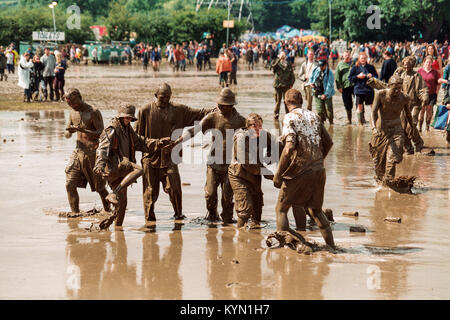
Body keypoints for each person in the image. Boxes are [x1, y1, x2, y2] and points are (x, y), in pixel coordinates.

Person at [134, 83, 211, 223]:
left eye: (168, 97)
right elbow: (135, 137)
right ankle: (149, 220)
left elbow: (200, 113)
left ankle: (179, 215)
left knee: (174, 187)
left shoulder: (178, 110)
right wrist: (154, 143)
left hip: (170, 157)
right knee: (150, 191)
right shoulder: (145, 110)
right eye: (162, 97)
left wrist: (218, 110)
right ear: (156, 95)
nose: (165, 100)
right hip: (150, 157)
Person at [169, 88, 246, 223]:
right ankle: (212, 216)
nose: (220, 107)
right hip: (213, 163)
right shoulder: (212, 117)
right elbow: (196, 129)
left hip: (230, 165)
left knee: (227, 198)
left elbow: (256, 134)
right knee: (210, 195)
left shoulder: (240, 121)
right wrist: (179, 140)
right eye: (219, 105)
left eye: (224, 106)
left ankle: (227, 221)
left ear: (231, 106)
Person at [272, 88, 335, 248]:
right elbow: (328, 142)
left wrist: (279, 174)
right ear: (301, 102)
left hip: (299, 170)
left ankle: (286, 247)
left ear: (286, 103)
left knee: (281, 209)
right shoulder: (313, 115)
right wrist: (318, 160)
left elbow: (289, 147)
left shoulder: (289, 118)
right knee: (316, 211)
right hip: (319, 170)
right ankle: (331, 247)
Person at [94, 104, 171, 227]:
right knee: (139, 170)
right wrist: (99, 165)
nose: (129, 120)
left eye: (130, 118)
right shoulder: (111, 129)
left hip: (123, 168)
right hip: (114, 166)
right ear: (120, 117)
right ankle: (113, 195)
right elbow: (102, 148)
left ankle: (118, 229)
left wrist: (158, 142)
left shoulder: (128, 129)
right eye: (127, 118)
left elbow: (141, 142)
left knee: (122, 202)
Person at [63, 88, 110, 215]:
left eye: (75, 103)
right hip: (78, 152)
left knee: (100, 188)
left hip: (93, 153)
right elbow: (67, 132)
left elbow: (101, 133)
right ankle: (75, 214)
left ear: (80, 98)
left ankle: (108, 211)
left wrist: (83, 131)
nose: (73, 106)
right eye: (70, 104)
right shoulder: (73, 112)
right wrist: (69, 131)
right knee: (69, 184)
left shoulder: (93, 112)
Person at [228, 113, 278, 228]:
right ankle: (240, 234)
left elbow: (276, 143)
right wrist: (269, 174)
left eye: (260, 126)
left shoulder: (262, 134)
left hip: (255, 173)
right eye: (254, 126)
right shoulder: (241, 137)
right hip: (239, 175)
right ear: (248, 127)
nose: (258, 129)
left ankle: (255, 233)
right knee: (244, 209)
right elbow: (247, 163)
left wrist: (271, 152)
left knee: (257, 205)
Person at [369, 75, 414, 185]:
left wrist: (412, 127)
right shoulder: (380, 94)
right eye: (395, 88)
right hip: (381, 130)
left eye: (400, 88)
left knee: (392, 157)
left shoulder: (404, 98)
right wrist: (373, 128)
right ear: (389, 86)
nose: (398, 91)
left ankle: (389, 180)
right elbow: (373, 113)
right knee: (378, 161)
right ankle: (381, 181)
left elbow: (408, 114)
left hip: (396, 130)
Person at [349, 52, 378, 125]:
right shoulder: (355, 67)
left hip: (369, 90)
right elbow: (349, 78)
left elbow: (377, 77)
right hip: (359, 90)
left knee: (373, 107)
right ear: (359, 59)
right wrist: (357, 76)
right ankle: (360, 124)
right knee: (359, 107)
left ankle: (374, 122)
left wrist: (372, 76)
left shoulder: (371, 67)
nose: (363, 59)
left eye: (365, 58)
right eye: (362, 58)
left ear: (367, 58)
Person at [417, 56, 440, 132]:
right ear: (424, 63)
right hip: (422, 94)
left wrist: (437, 91)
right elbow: (415, 82)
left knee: (429, 111)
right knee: (422, 111)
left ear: (431, 63)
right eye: (427, 62)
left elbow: (438, 83)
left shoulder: (435, 72)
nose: (428, 63)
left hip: (432, 94)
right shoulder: (419, 71)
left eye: (430, 62)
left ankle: (427, 127)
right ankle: (419, 128)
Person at [309, 59, 335, 124]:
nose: (320, 68)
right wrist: (311, 83)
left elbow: (330, 85)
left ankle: (331, 122)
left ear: (325, 66)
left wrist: (325, 94)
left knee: (329, 111)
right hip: (317, 92)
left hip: (327, 93)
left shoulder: (330, 73)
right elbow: (311, 78)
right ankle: (322, 123)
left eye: (321, 66)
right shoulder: (316, 70)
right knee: (319, 110)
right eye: (319, 66)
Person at [272, 51, 296, 119]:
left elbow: (292, 76)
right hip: (278, 86)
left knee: (287, 101)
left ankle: (288, 114)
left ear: (285, 56)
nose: (282, 57)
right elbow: (273, 67)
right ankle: (276, 114)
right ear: (279, 56)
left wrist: (291, 84)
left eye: (284, 55)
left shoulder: (288, 64)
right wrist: (279, 60)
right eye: (281, 55)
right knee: (278, 101)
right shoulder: (276, 63)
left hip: (286, 85)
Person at [335, 50, 354, 124]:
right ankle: (349, 119)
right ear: (342, 56)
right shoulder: (340, 64)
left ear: (350, 56)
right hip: (345, 86)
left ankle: (362, 119)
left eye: (348, 55)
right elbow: (337, 77)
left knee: (359, 101)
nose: (347, 56)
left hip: (354, 85)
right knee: (347, 103)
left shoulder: (354, 63)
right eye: (345, 55)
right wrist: (339, 87)